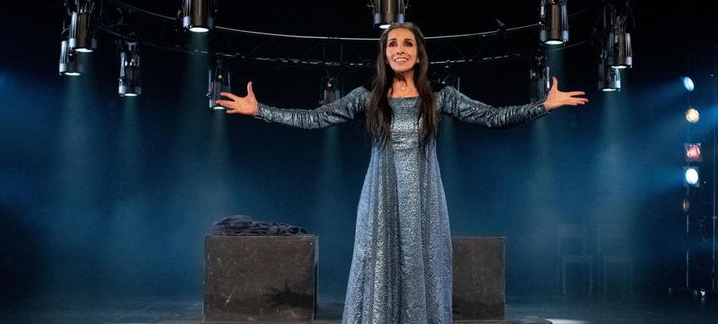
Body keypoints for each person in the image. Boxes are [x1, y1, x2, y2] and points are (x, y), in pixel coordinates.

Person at [216, 22, 588, 324]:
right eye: (392, 44)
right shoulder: (368, 97)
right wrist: (259, 110)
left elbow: (492, 117)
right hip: (379, 202)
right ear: (384, 54)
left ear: (418, 53)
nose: (399, 49)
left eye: (407, 44)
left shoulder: (439, 96)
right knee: (377, 272)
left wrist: (544, 105)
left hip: (425, 204)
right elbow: (314, 119)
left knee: (421, 271)